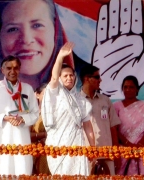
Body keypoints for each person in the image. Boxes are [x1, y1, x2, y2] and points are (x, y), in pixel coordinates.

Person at [0, 0, 73, 103]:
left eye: (37, 25)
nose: (27, 39)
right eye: (13, 29)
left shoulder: (69, 100)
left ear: (55, 31)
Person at [41, 42, 95, 175]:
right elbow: (53, 77)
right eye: (65, 76)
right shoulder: (55, 93)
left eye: (71, 75)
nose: (69, 78)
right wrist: (60, 56)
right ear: (60, 78)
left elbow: (87, 125)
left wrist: (93, 148)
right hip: (57, 144)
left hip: (77, 144)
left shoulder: (81, 100)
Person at [0, 55, 39, 175]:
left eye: (16, 68)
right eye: (8, 68)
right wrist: (4, 117)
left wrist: (23, 118)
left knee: (21, 168)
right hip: (0, 136)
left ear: (19, 69)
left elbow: (35, 113)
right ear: (2, 70)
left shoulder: (27, 89)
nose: (12, 71)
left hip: (21, 137)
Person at [80, 65, 121, 175]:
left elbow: (113, 127)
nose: (100, 80)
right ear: (87, 79)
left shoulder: (105, 100)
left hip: (107, 154)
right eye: (97, 77)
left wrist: (116, 152)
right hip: (85, 155)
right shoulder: (76, 101)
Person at [113, 75, 144, 175]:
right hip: (122, 148)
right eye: (125, 87)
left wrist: (138, 146)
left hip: (141, 149)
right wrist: (129, 145)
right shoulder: (116, 106)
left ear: (137, 89)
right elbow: (114, 129)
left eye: (131, 87)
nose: (128, 89)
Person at [30, 84, 51, 175]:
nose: (49, 97)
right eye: (45, 94)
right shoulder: (29, 114)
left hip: (48, 155)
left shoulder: (56, 114)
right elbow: (24, 136)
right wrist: (44, 135)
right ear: (37, 95)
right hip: (30, 153)